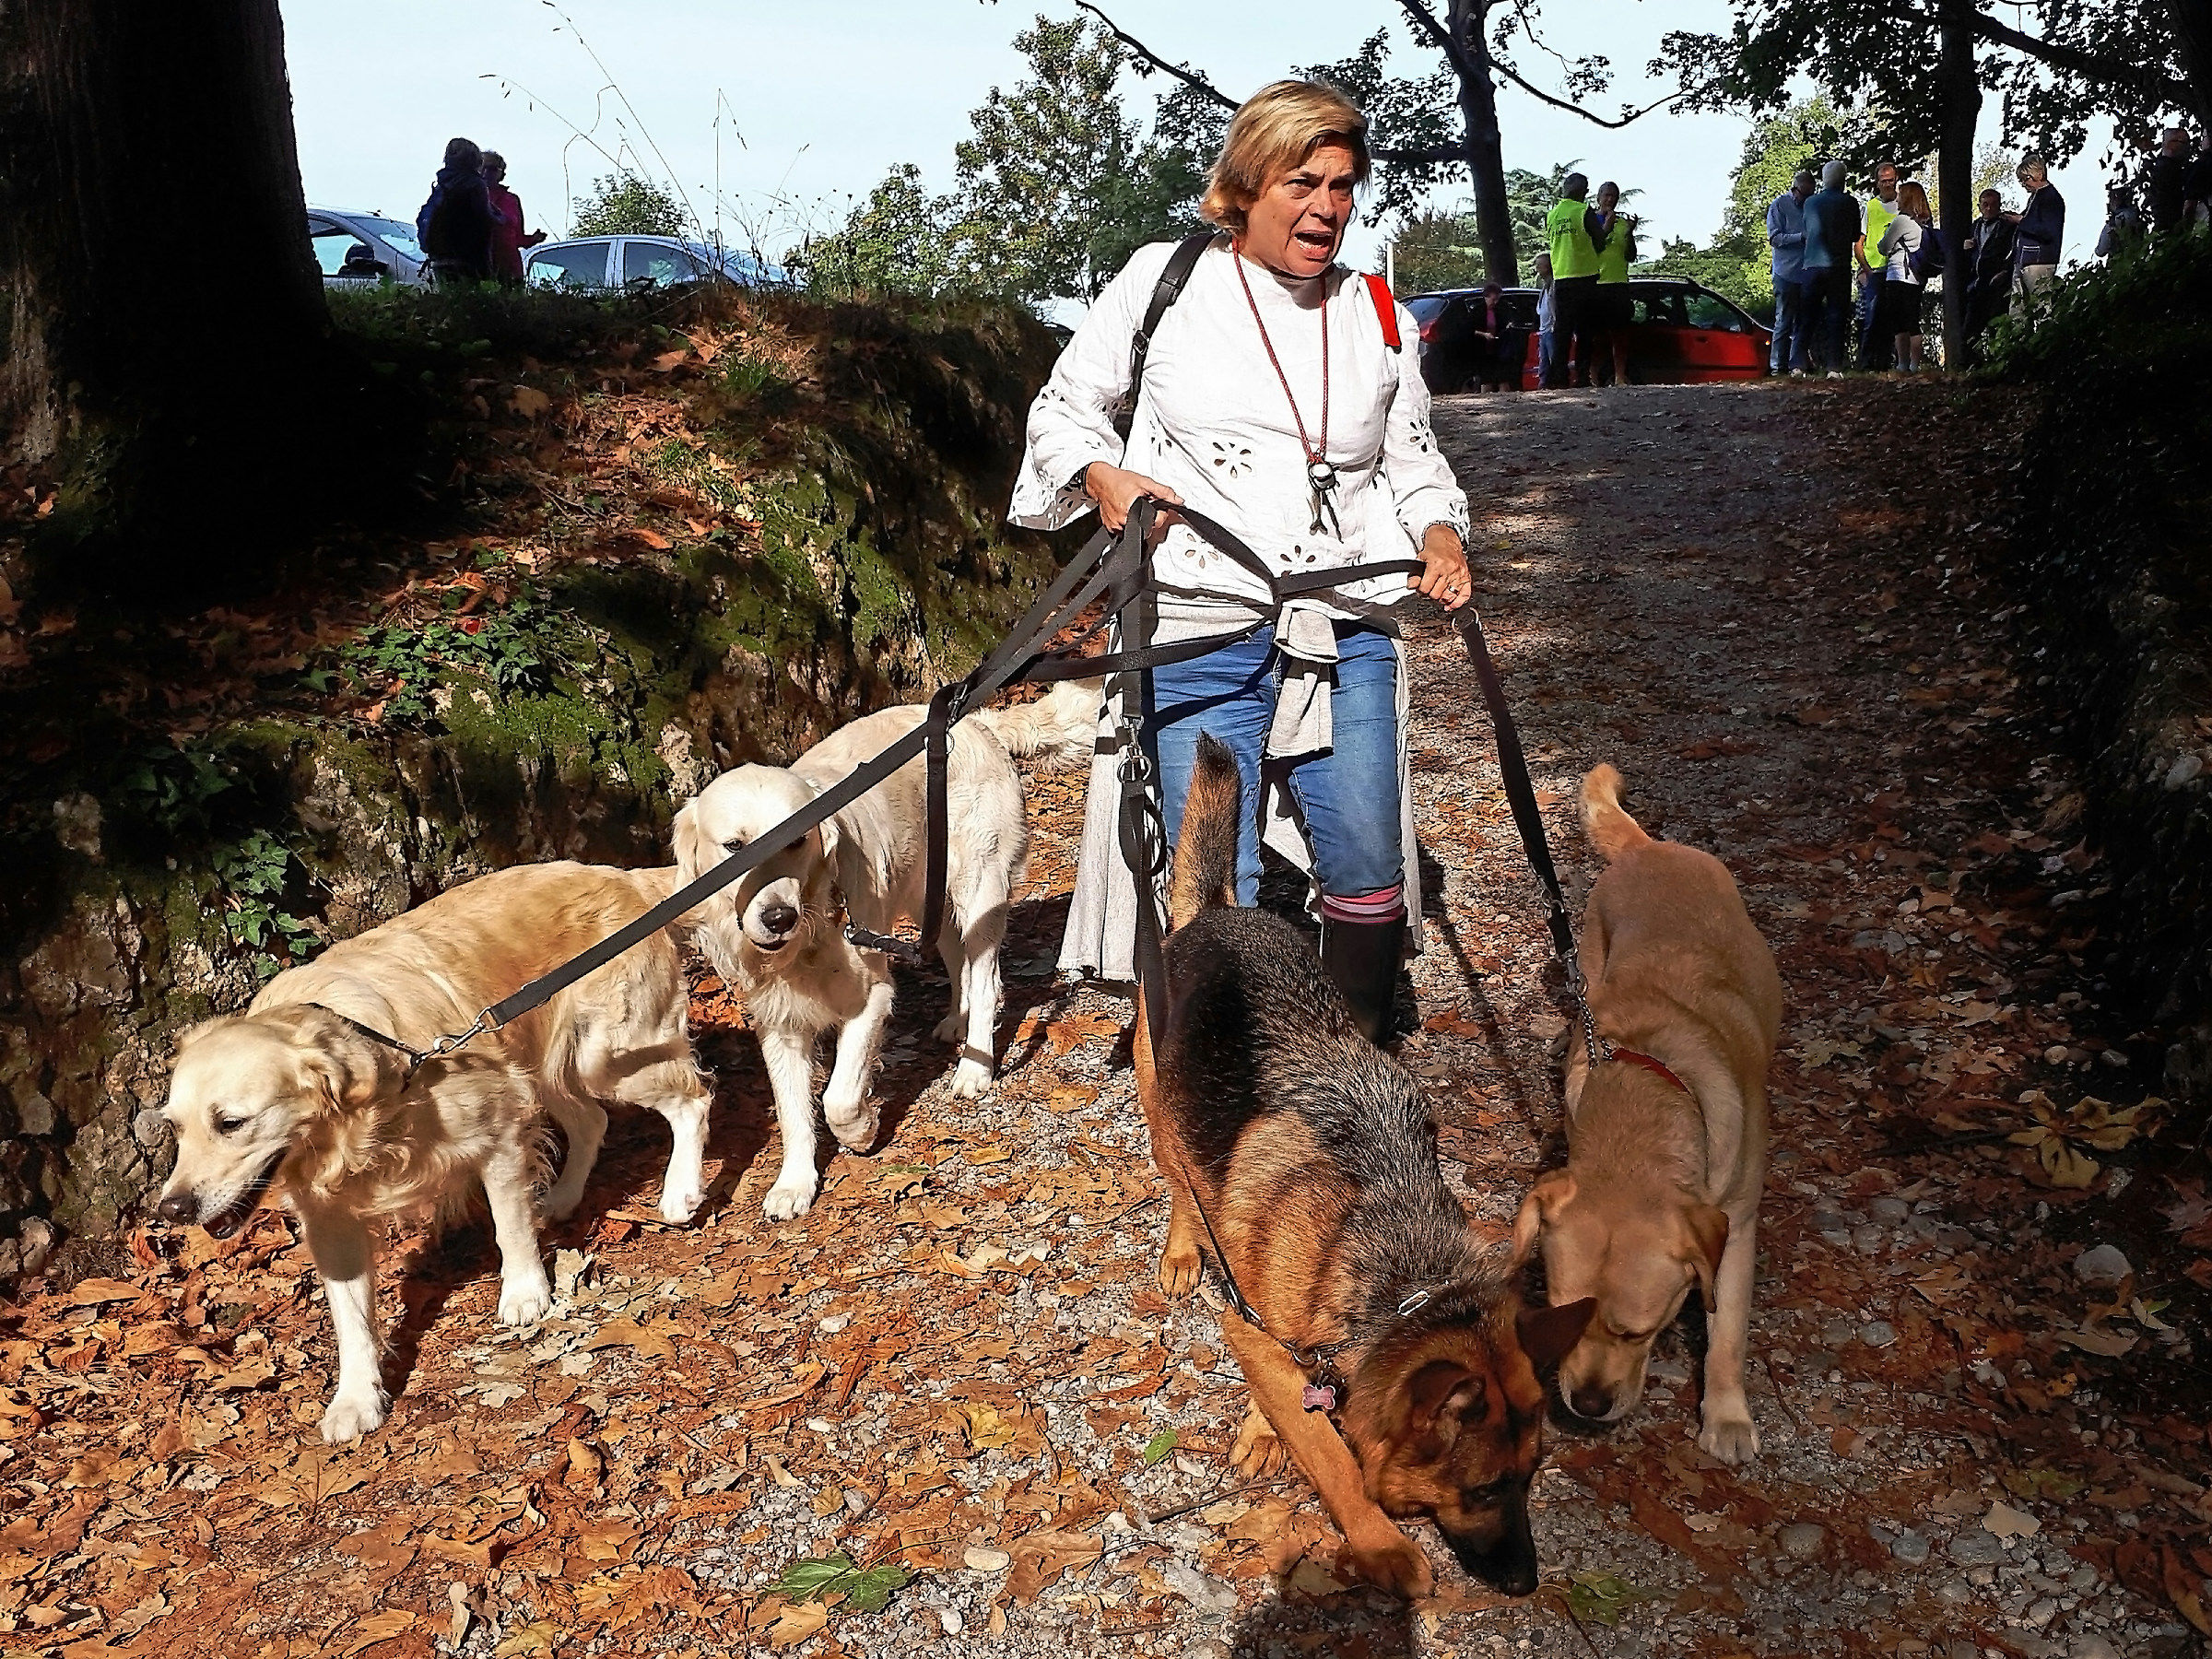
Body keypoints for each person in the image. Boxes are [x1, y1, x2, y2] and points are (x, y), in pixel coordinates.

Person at [1009, 79, 1473, 1040]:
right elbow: (1063, 410)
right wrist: (1104, 476)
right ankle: (1222, 1088)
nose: (1328, 208)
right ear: (1246, 187)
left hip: (1344, 624)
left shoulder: (1377, 311)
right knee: (1214, 879)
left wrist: (1438, 532)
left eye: (1343, 186)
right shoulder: (1167, 282)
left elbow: (1414, 461)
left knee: (1369, 865)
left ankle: (1348, 1068)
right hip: (1198, 623)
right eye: (1303, 184)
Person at [1799, 160, 1861, 375]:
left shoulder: (1810, 203)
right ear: (1843, 180)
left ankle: (1797, 363)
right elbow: (1855, 235)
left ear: (1824, 180)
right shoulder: (1850, 203)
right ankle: (1834, 366)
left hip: (1811, 266)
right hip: (1838, 266)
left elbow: (1805, 231)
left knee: (1807, 317)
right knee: (1837, 317)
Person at [1544, 173, 1600, 388]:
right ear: (1584, 191)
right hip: (1584, 275)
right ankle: (1582, 376)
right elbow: (1600, 239)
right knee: (1585, 330)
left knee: (1562, 330)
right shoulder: (1584, 211)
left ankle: (1558, 377)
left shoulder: (1552, 214)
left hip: (1562, 276)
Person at [419, 136, 494, 287]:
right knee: (468, 298)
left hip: (439, 257)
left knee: (447, 297)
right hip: (467, 260)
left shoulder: (443, 183)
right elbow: (483, 224)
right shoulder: (476, 185)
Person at [1876, 180, 1932, 371]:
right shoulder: (1923, 222)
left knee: (1899, 322)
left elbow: (1884, 247)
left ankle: (1903, 364)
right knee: (1913, 320)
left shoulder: (1901, 221)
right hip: (1917, 277)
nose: (1897, 198)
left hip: (1899, 274)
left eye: (1900, 195)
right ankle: (1915, 365)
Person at [1766, 169, 1815, 374]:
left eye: (1810, 194)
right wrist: (1800, 237)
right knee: (1783, 321)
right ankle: (1777, 367)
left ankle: (1797, 366)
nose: (1806, 199)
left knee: (1804, 322)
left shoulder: (1812, 206)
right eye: (1803, 194)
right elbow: (1774, 238)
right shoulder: (1779, 205)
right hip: (1785, 272)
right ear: (1794, 189)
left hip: (1807, 272)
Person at [1589, 181, 1638, 386]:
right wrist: (1606, 228)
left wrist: (1630, 233)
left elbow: (1631, 256)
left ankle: (1619, 376)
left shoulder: (1622, 223)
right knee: (1596, 336)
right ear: (1598, 197)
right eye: (1606, 195)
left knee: (1620, 334)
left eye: (1614, 196)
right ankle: (1592, 376)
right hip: (1597, 284)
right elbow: (1592, 249)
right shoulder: (1590, 220)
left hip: (1619, 284)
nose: (1610, 199)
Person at [1854, 160, 1902, 370]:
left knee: (1894, 318)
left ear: (1896, 179)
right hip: (1875, 269)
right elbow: (1859, 243)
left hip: (1898, 269)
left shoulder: (1903, 204)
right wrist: (1866, 269)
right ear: (1877, 182)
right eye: (1883, 181)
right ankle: (1866, 362)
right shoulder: (1870, 207)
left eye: (1890, 180)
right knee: (1871, 317)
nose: (1887, 185)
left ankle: (1888, 361)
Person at [2006, 153, 2065, 321]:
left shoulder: (2051, 198)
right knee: (2017, 313)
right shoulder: (2036, 197)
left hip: (2039, 262)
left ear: (2039, 174)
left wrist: (2020, 221)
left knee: (2041, 309)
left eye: (2026, 179)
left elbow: (2047, 231)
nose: (2024, 184)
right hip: (2024, 261)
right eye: (2021, 180)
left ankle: (2045, 335)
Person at [1960, 187, 2017, 349]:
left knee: (1996, 327)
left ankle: (1997, 358)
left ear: (1999, 205)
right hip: (1977, 284)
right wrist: (1965, 247)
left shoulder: (2007, 225)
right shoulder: (1976, 226)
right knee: (1970, 330)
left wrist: (2005, 271)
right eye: (1985, 205)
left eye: (1993, 205)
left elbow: (2014, 249)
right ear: (1979, 206)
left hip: (1997, 283)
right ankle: (1971, 360)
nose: (1989, 209)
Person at [482, 151, 547, 286]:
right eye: (484, 167)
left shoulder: (511, 199)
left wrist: (533, 239)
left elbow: (517, 237)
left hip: (509, 266)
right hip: (481, 265)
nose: (487, 172)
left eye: (493, 169)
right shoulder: (471, 196)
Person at [1468, 280, 1525, 391]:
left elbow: (1509, 321)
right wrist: (1484, 334)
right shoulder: (1477, 311)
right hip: (1483, 351)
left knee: (1503, 380)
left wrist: (1508, 326)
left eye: (1497, 299)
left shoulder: (1502, 309)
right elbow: (1470, 329)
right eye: (1493, 299)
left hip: (1500, 350)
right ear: (1486, 297)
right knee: (1486, 381)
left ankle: (1504, 399)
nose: (1495, 302)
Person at [2149, 126, 2192, 233]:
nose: (2181, 146)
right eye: (2176, 141)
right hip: (2171, 226)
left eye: (2184, 143)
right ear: (2166, 144)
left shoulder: (2170, 167)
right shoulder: (2166, 168)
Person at [1532, 252, 1558, 385]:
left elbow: (1555, 306)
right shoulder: (1545, 287)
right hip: (1544, 331)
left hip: (1551, 330)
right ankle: (1544, 387)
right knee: (1544, 364)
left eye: (1539, 266)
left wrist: (1555, 324)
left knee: (1554, 361)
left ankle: (1556, 385)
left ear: (1547, 267)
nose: (1537, 269)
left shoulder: (1554, 285)